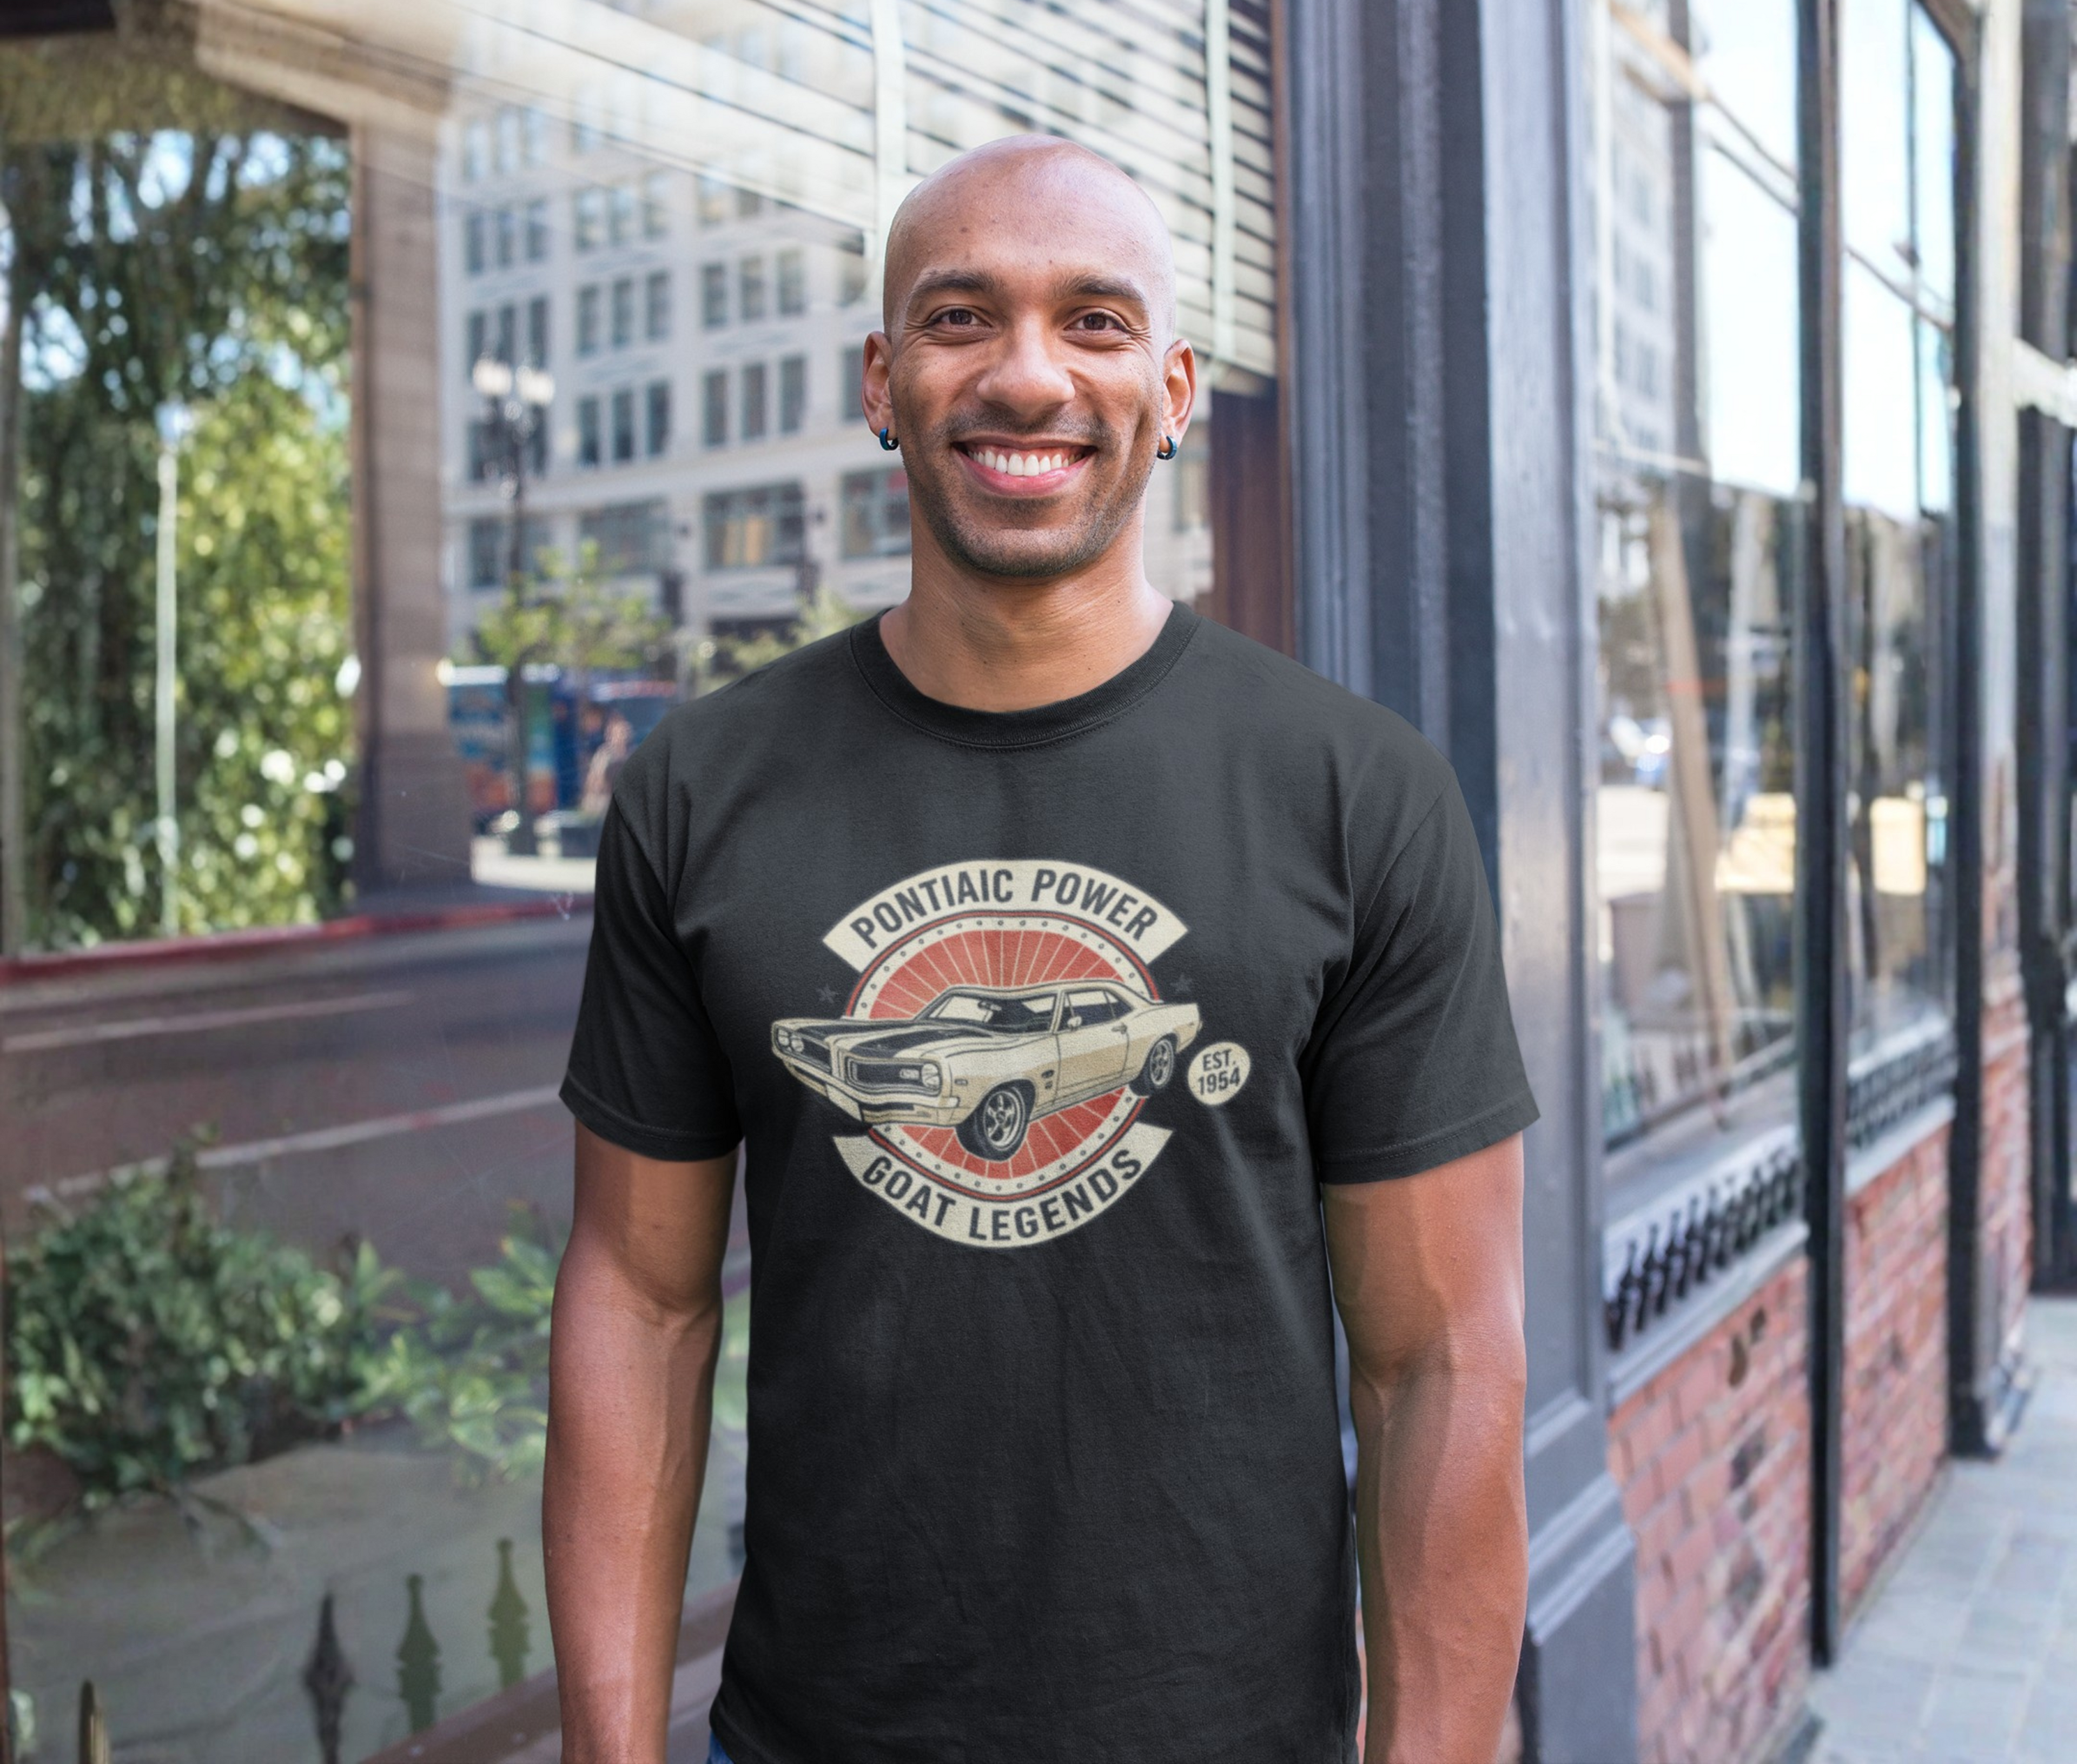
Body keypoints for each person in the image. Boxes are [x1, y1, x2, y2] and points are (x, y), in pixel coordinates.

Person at [545, 137, 1539, 1764]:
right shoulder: (698, 791)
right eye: (960, 319)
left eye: (1093, 321)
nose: (1026, 376)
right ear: (883, 378)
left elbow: (1440, 1357)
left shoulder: (1355, 794)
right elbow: (639, 1303)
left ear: (1172, 387)